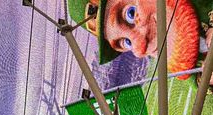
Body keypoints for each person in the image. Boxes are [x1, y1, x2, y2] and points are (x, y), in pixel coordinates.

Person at [66, 0, 212, 78]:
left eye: (131, 13)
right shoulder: (184, 58)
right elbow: (197, 77)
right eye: (126, 43)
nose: (140, 48)